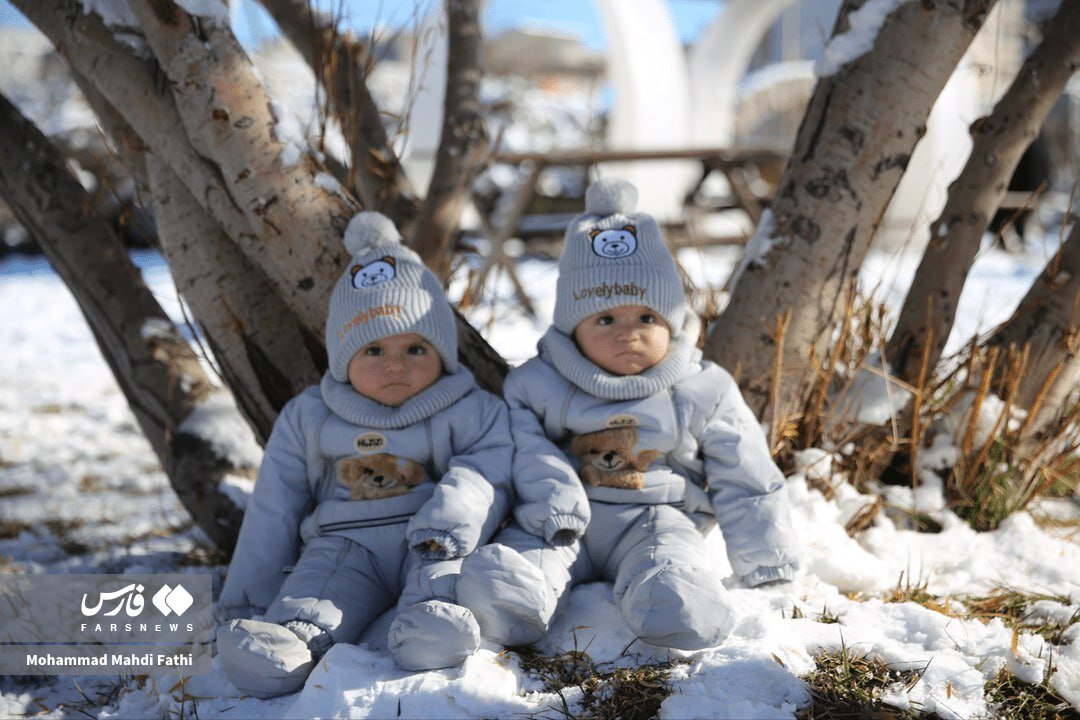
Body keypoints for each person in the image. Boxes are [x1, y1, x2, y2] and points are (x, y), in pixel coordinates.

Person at [458, 178, 800, 651]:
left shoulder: (701, 387)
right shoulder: (536, 385)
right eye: (605, 320)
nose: (628, 334)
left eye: (646, 318)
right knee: (531, 557)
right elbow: (523, 452)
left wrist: (767, 562)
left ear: (671, 320)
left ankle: (674, 600)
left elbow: (745, 473)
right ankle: (511, 603)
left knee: (668, 559)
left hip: (656, 515)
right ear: (572, 327)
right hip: (559, 520)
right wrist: (551, 501)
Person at [216, 212, 512, 697]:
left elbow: (489, 472)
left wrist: (450, 515)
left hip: (435, 537)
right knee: (318, 590)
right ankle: (287, 642)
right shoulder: (311, 416)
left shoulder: (472, 410)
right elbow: (274, 507)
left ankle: (429, 630)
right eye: (373, 350)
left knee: (442, 581)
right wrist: (245, 602)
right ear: (342, 355)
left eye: (416, 348)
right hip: (345, 542)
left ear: (442, 352)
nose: (395, 365)